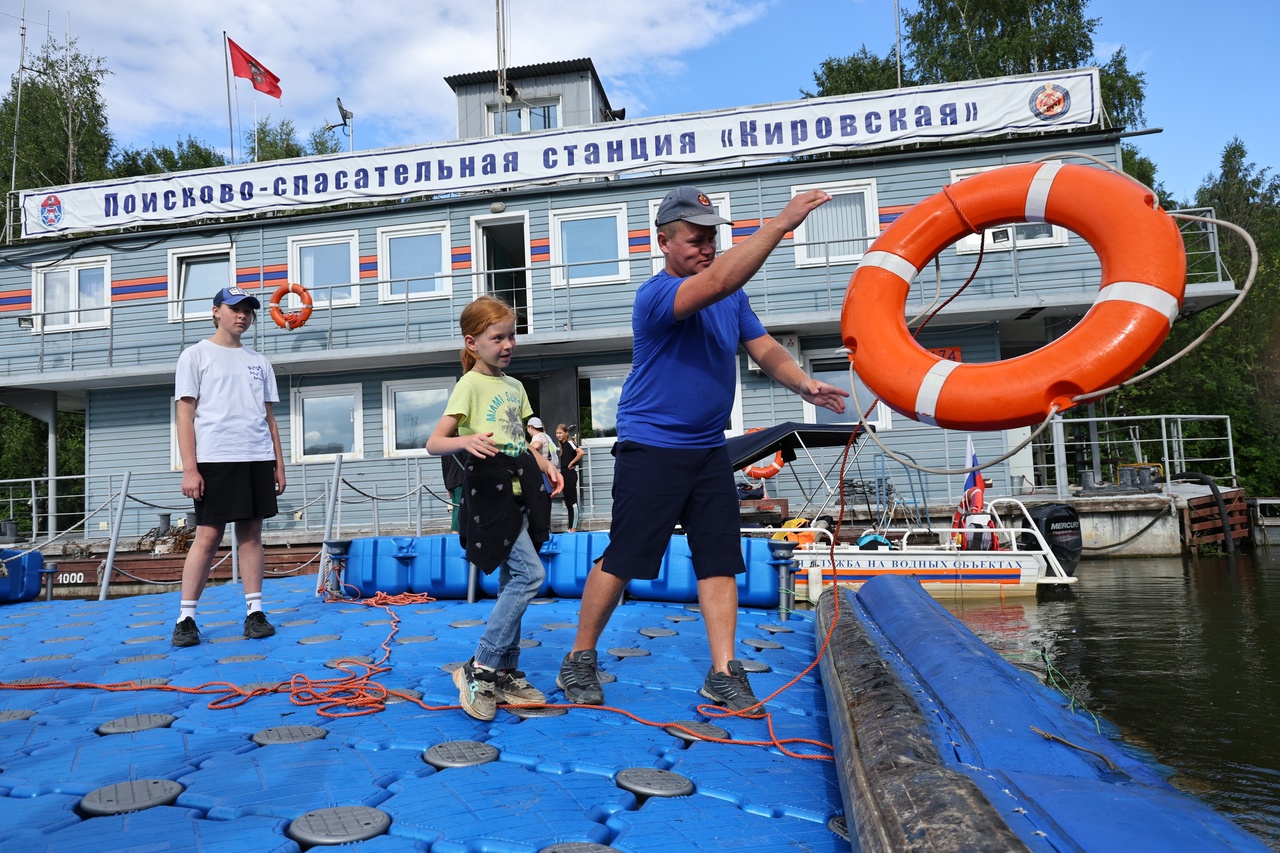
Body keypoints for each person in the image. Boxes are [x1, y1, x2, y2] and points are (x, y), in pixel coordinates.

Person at [557, 186, 848, 714]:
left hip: (709, 449)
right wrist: (781, 224)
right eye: (695, 238)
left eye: (712, 236)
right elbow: (719, 279)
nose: (706, 247)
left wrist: (802, 384)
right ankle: (580, 656)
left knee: (719, 560)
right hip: (652, 447)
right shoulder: (656, 296)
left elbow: (764, 347)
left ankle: (722, 672)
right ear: (664, 241)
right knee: (625, 556)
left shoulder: (731, 299)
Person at [426, 295, 564, 721]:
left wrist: (546, 466)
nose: (507, 345)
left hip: (523, 492)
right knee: (530, 575)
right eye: (497, 337)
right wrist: (465, 441)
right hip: (489, 494)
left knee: (512, 581)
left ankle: (505, 673)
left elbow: (520, 441)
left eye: (511, 336)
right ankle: (479, 667)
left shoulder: (515, 387)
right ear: (473, 342)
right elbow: (435, 442)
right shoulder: (469, 385)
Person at [172, 286, 286, 647]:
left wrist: (279, 466)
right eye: (235, 308)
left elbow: (269, 419)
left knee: (252, 534)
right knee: (208, 536)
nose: (242, 315)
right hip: (215, 458)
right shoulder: (194, 355)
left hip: (256, 455)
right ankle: (186, 618)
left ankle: (254, 612)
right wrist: (190, 468)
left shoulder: (260, 361)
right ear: (216, 311)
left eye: (249, 310)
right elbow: (185, 415)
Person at [556, 423, 585, 532]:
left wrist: (571, 463)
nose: (558, 435)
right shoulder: (562, 445)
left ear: (566, 433)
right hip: (564, 474)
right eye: (557, 433)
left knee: (572, 502)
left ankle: (573, 528)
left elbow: (581, 452)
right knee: (567, 501)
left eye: (560, 433)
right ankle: (570, 527)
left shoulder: (569, 442)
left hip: (570, 474)